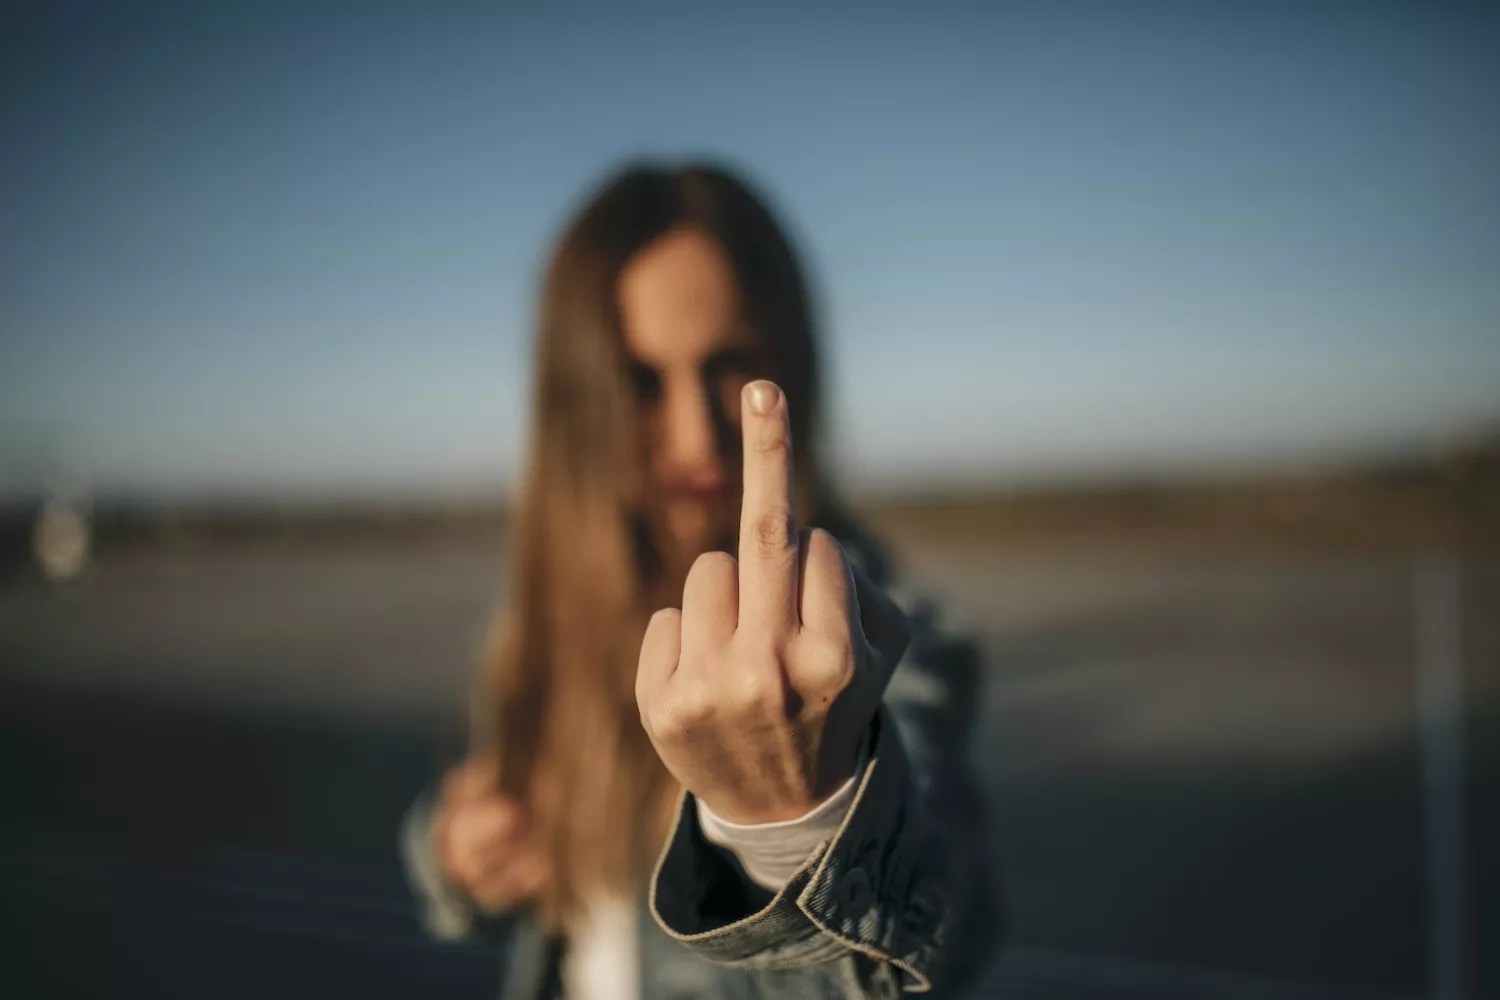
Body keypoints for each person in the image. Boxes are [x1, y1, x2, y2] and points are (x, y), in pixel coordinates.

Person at [400, 162, 999, 998]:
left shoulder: (870, 637)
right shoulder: (551, 611)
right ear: (577, 406)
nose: (695, 437)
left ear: (791, 361)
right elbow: (486, 830)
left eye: (729, 365)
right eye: (641, 382)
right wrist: (456, 856)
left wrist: (798, 829)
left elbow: (929, 937)